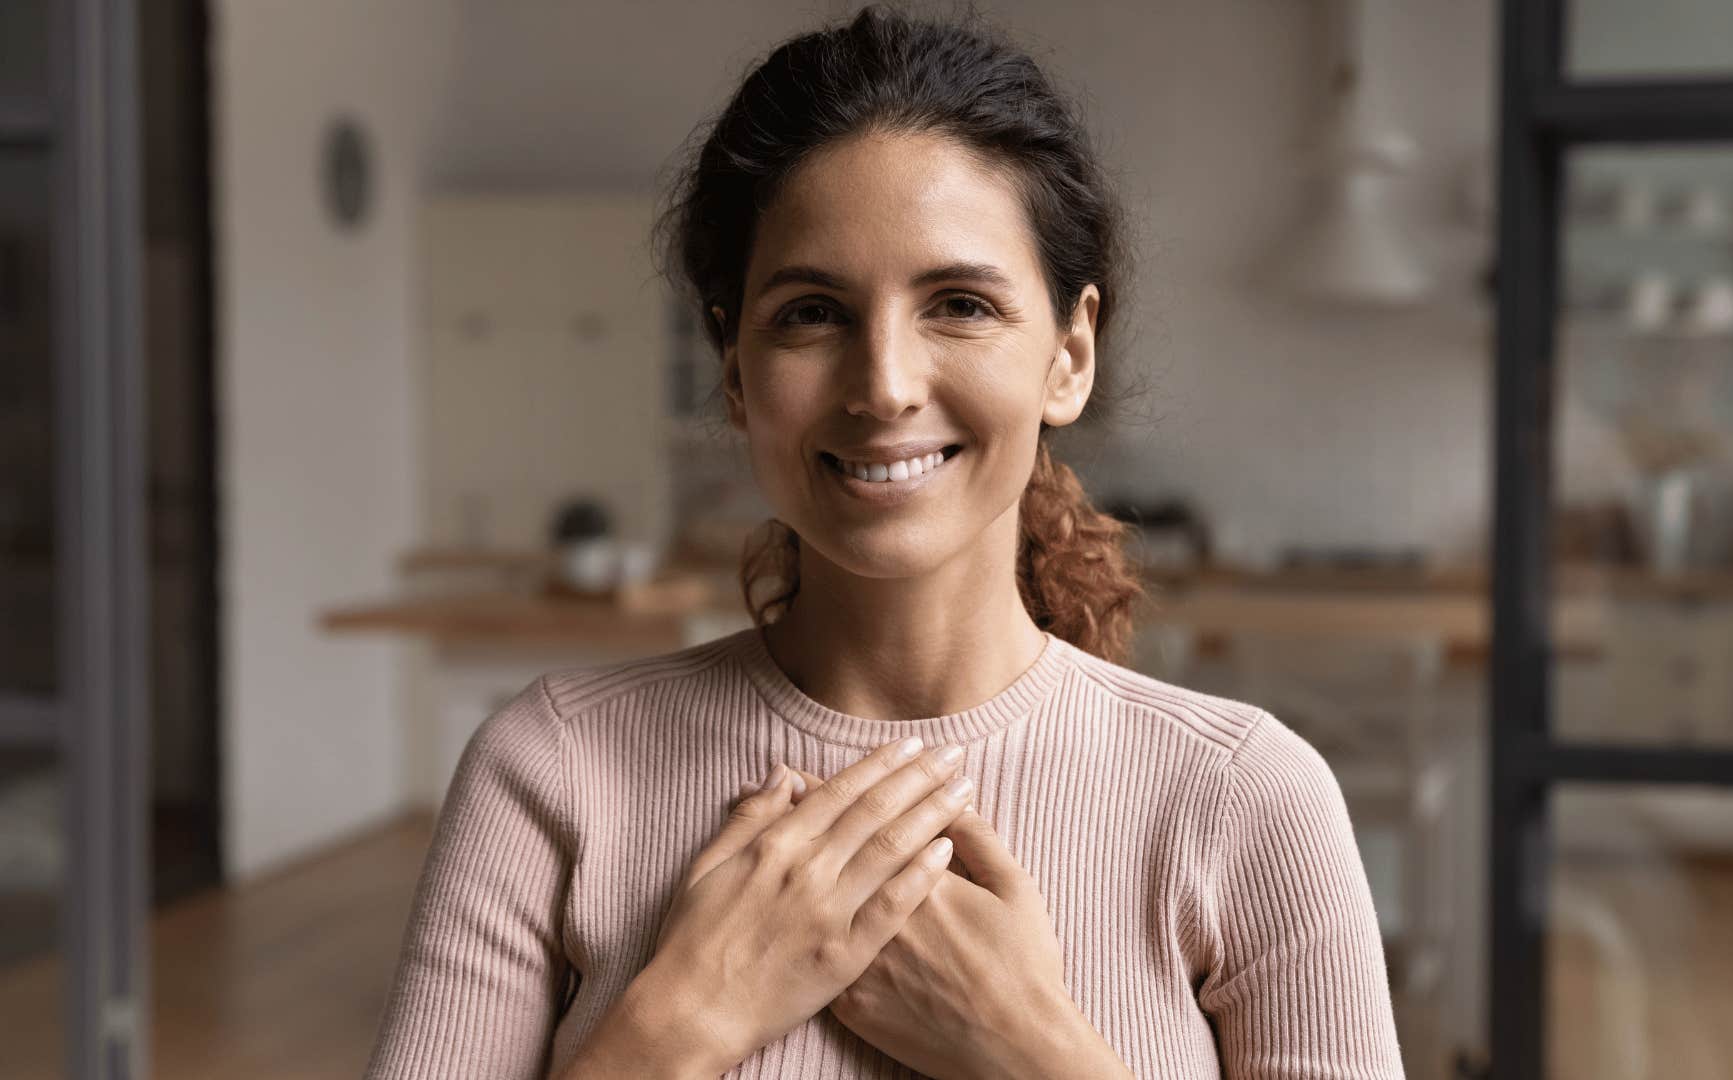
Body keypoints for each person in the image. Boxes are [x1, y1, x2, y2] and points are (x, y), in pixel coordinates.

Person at [364, 6, 1402, 1078]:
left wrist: (1029, 1052)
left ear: (1070, 353)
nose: (886, 386)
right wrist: (681, 1023)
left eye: (958, 304)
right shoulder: (551, 773)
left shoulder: (1247, 800)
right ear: (733, 369)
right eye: (812, 314)